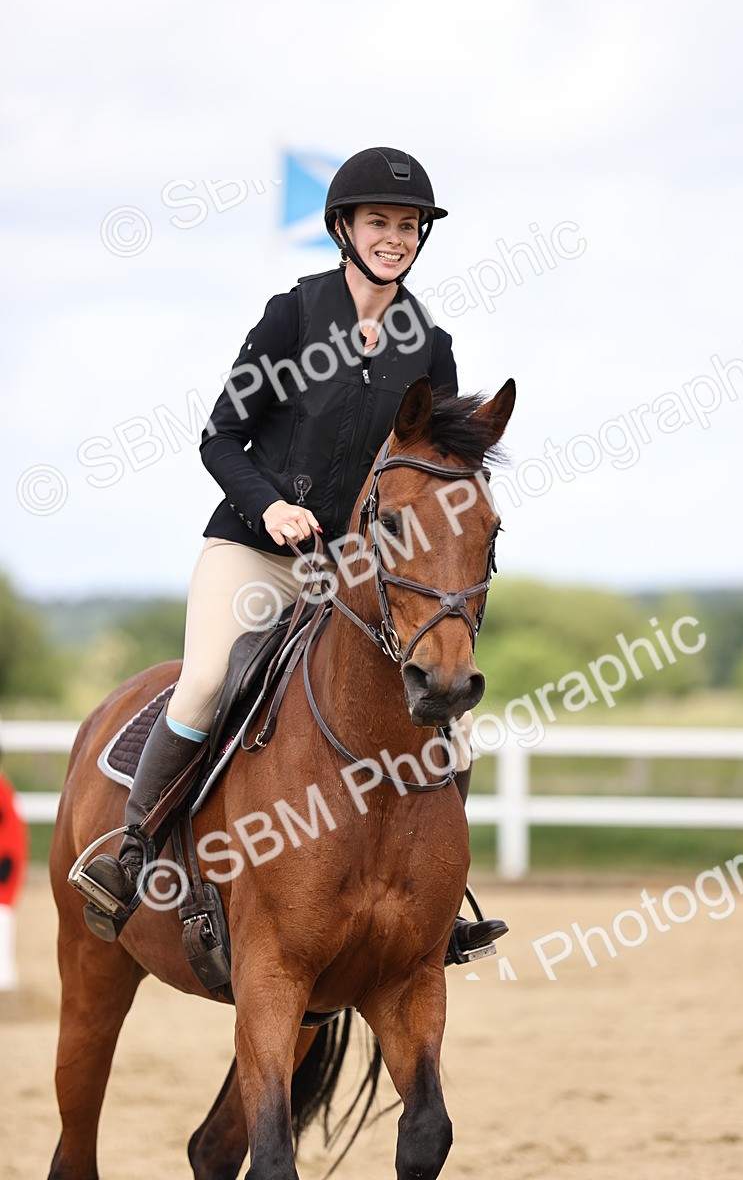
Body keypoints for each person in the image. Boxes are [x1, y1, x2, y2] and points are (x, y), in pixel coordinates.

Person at [82, 146, 507, 959]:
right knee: (208, 681)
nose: (395, 237)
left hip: (355, 575)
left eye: (408, 225)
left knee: (439, 717)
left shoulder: (431, 343)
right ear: (344, 228)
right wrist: (270, 505)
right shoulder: (294, 316)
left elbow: (441, 470)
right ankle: (131, 851)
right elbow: (220, 436)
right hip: (254, 549)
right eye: (379, 222)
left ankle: (437, 904)